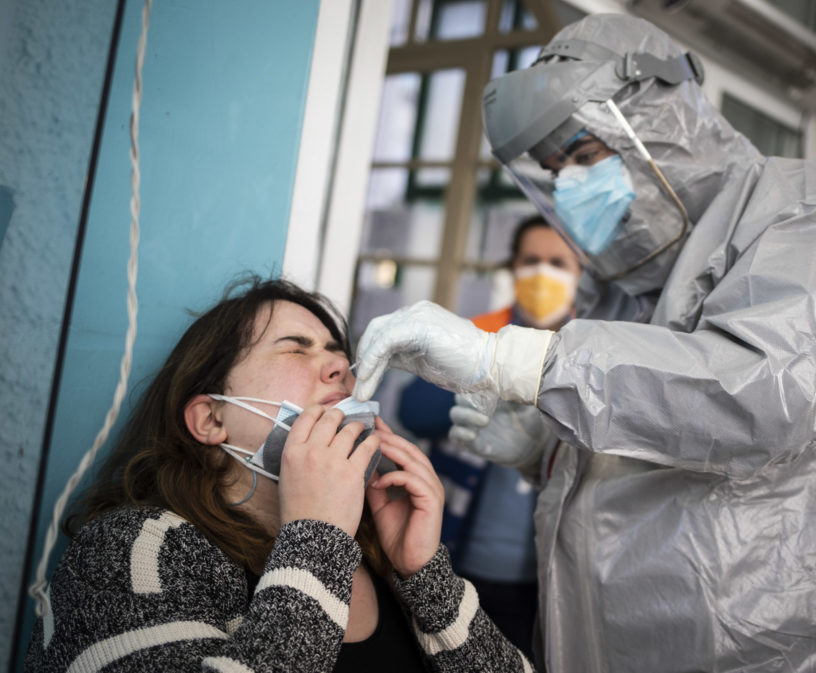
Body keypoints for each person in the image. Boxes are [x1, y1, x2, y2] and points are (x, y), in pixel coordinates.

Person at [351, 14, 816, 673]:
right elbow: (651, 445)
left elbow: (764, 395)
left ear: (664, 121)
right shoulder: (622, 280)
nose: (568, 185)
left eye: (585, 154)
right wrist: (547, 452)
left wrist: (508, 357)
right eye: (554, 168)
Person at [25, 276, 533, 673]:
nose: (338, 366)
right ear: (210, 419)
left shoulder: (380, 553)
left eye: (338, 351)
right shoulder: (128, 551)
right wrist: (318, 537)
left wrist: (424, 577)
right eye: (297, 347)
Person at [398, 215, 580, 659]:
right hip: (463, 561)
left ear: (581, 275)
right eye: (531, 260)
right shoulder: (478, 335)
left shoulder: (590, 353)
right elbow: (413, 409)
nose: (543, 273)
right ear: (513, 266)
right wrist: (496, 376)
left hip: (551, 578)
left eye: (558, 262)